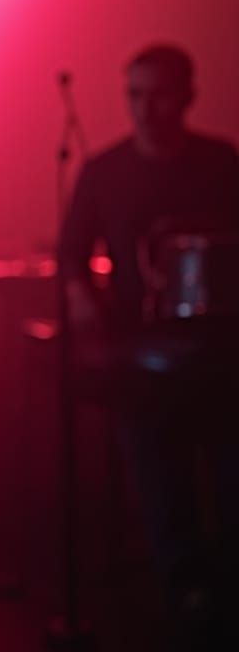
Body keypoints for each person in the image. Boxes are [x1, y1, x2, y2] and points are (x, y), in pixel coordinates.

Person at [58, 44, 239, 648]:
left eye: (158, 94)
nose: (145, 108)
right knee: (165, 492)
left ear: (187, 96)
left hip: (221, 356)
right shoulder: (103, 172)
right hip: (142, 361)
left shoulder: (222, 163)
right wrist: (83, 298)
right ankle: (188, 605)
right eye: (135, 94)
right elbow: (71, 254)